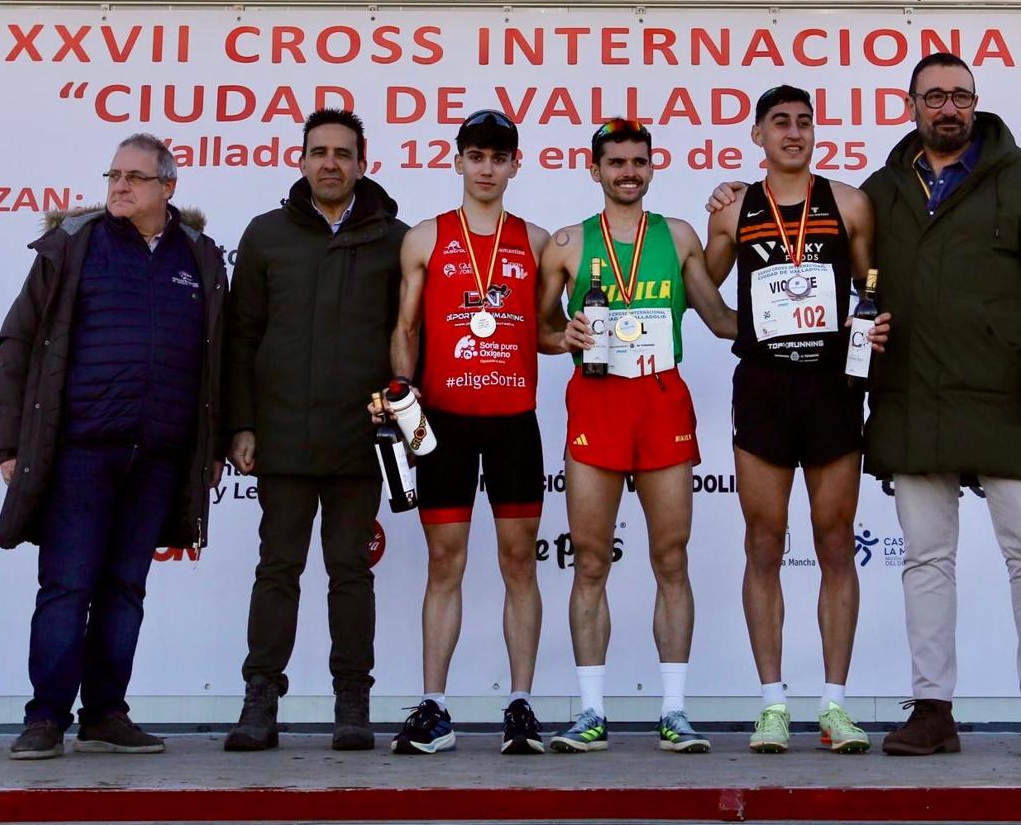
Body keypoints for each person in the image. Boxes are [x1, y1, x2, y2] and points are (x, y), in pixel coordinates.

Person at [860, 53, 1021, 758]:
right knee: (926, 560)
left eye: (959, 95)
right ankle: (932, 709)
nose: (948, 107)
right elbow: (840, 274)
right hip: (911, 397)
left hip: (1010, 401)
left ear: (976, 102)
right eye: (934, 97)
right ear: (911, 106)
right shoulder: (880, 190)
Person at [0, 133, 226, 760]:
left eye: (135, 177)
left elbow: (217, 362)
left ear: (167, 188)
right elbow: (16, 343)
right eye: (114, 175)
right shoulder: (73, 245)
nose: (119, 187)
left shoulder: (199, 256)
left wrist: (213, 448)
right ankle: (45, 719)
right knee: (67, 586)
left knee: (125, 588)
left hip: (158, 456)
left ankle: (104, 714)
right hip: (80, 452)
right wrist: (9, 442)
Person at [537, 119, 737, 754]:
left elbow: (720, 318)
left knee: (670, 558)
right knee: (591, 561)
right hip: (597, 402)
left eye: (639, 161)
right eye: (616, 161)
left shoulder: (677, 236)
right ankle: (591, 712)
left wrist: (806, 323)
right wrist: (561, 335)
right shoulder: (568, 244)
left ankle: (673, 711)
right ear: (593, 169)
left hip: (660, 399)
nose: (628, 171)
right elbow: (540, 332)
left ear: (652, 168)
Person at [703, 85, 891, 754]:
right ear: (757, 135)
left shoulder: (848, 202)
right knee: (763, 542)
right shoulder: (735, 210)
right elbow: (706, 282)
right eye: (779, 123)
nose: (793, 132)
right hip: (763, 387)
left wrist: (874, 322)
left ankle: (835, 707)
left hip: (832, 387)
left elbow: (873, 289)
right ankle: (773, 704)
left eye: (804, 122)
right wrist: (735, 328)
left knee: (836, 541)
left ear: (816, 133)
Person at [223, 108, 408, 752]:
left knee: (350, 572)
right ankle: (259, 701)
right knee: (277, 569)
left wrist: (403, 421)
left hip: (362, 440)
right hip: (280, 435)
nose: (330, 162)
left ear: (363, 162)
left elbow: (408, 342)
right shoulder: (266, 234)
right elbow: (241, 336)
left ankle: (352, 704)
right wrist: (241, 424)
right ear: (300, 160)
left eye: (343, 152)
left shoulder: (396, 237)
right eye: (318, 151)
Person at [375, 110, 551, 755]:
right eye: (475, 155)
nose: (485, 167)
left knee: (517, 565)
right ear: (458, 161)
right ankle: (435, 707)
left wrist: (591, 337)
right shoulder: (425, 238)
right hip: (443, 422)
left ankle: (522, 705)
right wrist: (401, 396)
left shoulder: (536, 241)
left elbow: (550, 330)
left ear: (514, 165)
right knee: (444, 563)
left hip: (513, 422)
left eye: (497, 157)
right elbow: (406, 329)